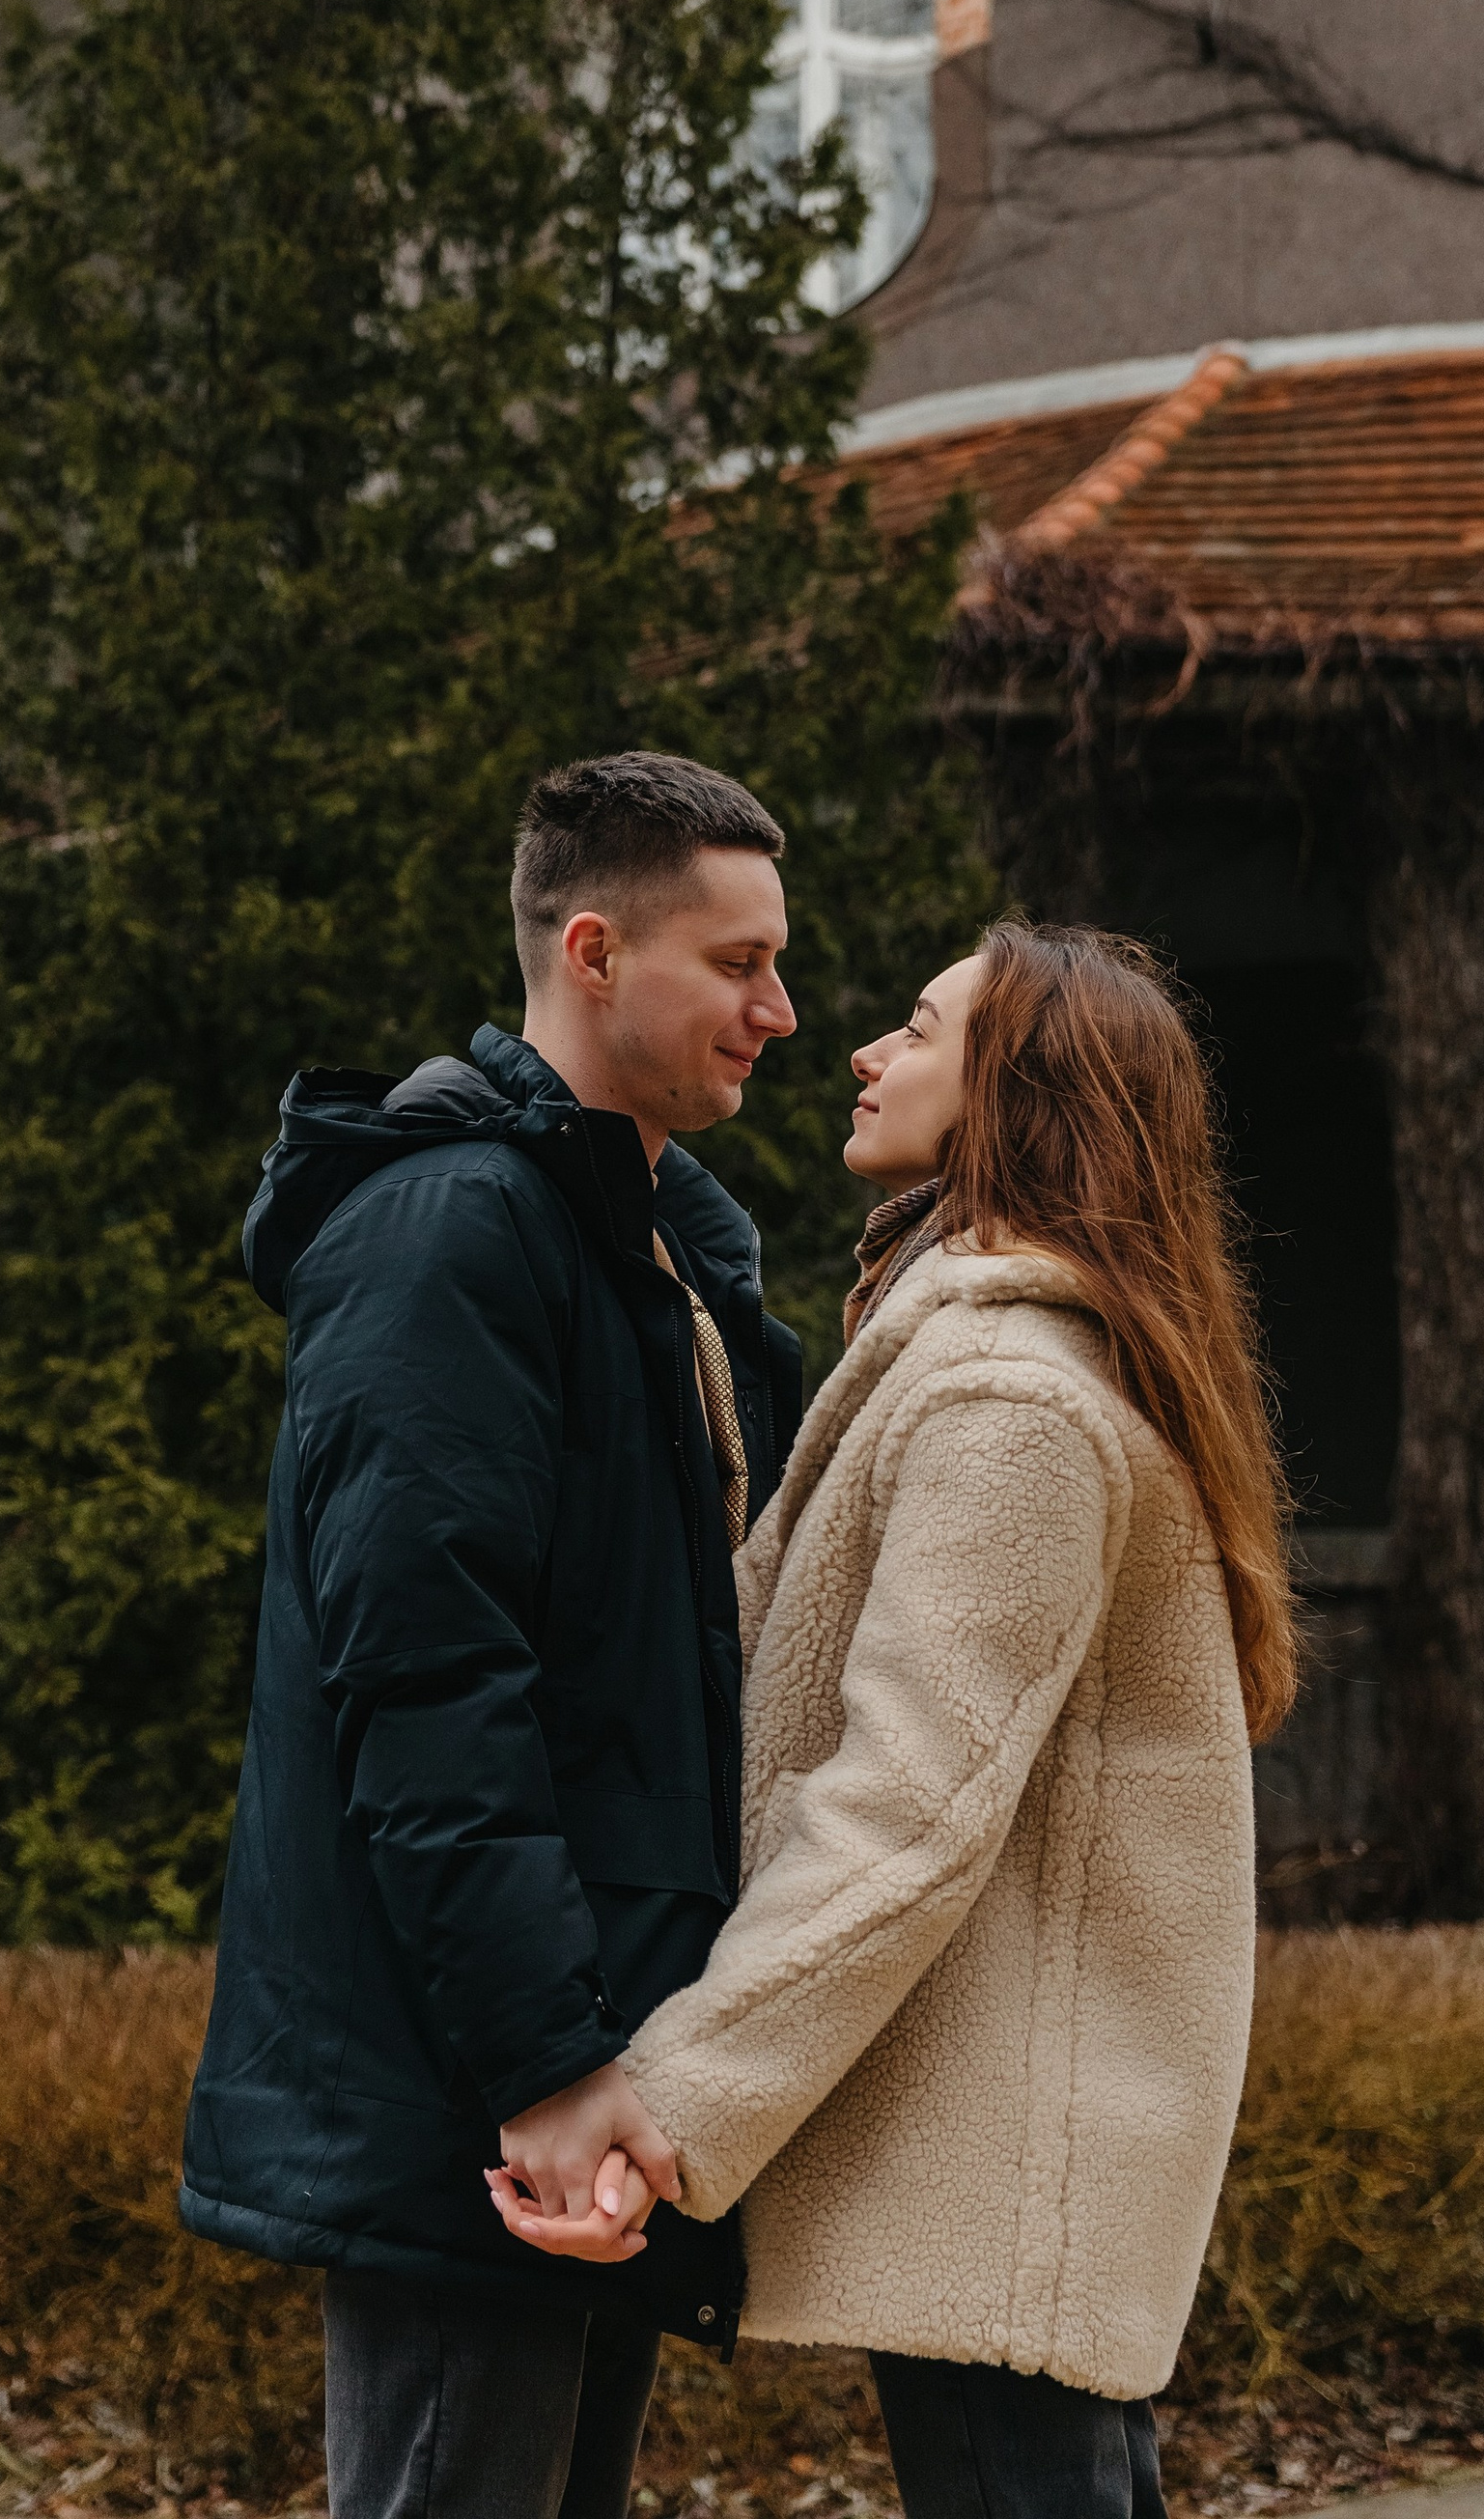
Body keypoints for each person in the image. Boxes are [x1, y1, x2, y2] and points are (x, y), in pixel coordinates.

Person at [495, 921, 1296, 2519]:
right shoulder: (1006, 1356)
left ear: (1020, 1094)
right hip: (1014, 2158)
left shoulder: (1011, 1398)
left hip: (1011, 2170)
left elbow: (906, 1805)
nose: (862, 1049)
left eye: (921, 1030)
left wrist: (675, 2100)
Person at [179, 752, 805, 2519]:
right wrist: (547, 2067)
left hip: (590, 2076)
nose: (780, 1011)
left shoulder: (656, 1255)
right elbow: (430, 1688)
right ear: (594, 953)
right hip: (487, 2109)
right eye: (739, 963)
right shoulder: (452, 1231)